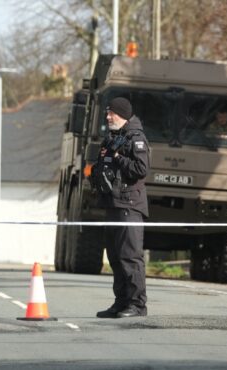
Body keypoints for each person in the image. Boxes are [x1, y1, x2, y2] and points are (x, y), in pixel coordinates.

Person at [92, 97, 150, 318]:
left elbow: (140, 169)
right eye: (107, 113)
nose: (107, 117)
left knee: (130, 256)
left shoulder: (136, 138)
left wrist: (118, 158)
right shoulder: (112, 138)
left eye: (111, 113)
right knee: (115, 257)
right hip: (112, 204)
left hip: (129, 205)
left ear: (122, 114)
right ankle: (121, 302)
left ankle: (137, 305)